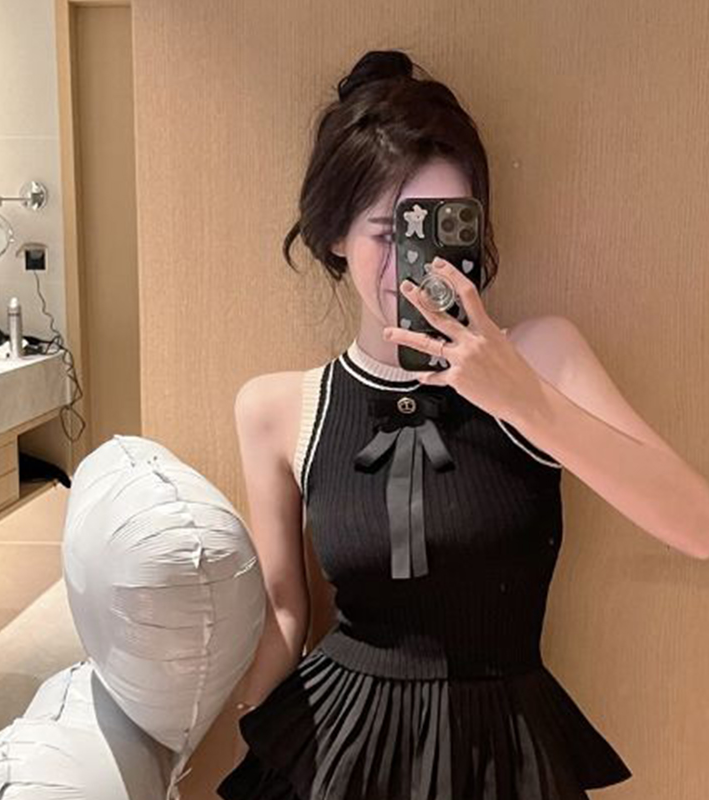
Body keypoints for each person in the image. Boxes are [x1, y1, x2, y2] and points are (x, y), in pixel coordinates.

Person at [216, 48, 633, 799]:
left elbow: (691, 520)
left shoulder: (542, 358)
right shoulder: (276, 409)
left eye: (441, 233)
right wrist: (234, 724)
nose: (416, 268)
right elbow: (286, 610)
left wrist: (523, 398)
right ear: (335, 234)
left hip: (504, 748)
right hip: (340, 742)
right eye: (388, 232)